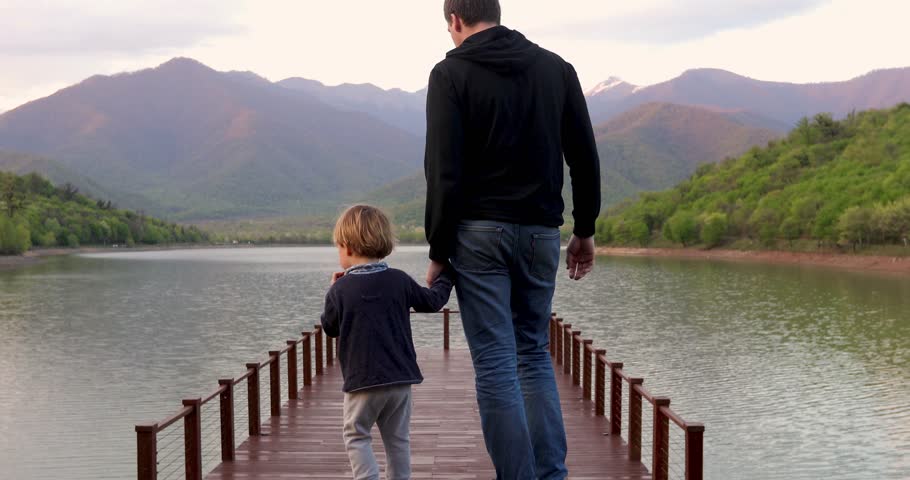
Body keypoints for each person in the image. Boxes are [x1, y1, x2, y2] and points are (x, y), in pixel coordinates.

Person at [423, 1, 602, 478]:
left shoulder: (450, 74)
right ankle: (551, 475)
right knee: (533, 354)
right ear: (496, 13)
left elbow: (443, 172)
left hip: (477, 235)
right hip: (542, 234)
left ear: (455, 21)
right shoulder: (556, 70)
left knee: (497, 365)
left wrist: (439, 250)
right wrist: (584, 230)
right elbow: (584, 156)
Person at [321, 205, 455, 480]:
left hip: (362, 382)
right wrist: (448, 276)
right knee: (398, 441)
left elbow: (330, 327)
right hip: (400, 381)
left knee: (357, 436)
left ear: (346, 247)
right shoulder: (399, 280)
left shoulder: (341, 289)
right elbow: (432, 301)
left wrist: (332, 290)